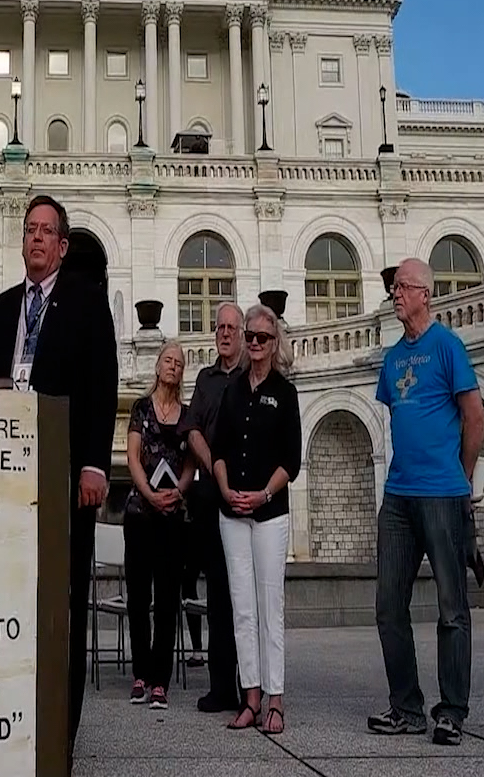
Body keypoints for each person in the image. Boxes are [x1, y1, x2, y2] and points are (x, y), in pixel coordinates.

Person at [0, 194, 118, 768]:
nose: (35, 239)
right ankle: (9, 723)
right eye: (29, 230)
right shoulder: (0, 309)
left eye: (46, 232)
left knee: (63, 606)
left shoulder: (86, 303)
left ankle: (61, 733)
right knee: (6, 599)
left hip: (63, 480)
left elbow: (101, 385)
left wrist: (92, 464)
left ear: (61, 246)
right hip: (7, 485)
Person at [368, 256, 484, 746]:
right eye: (394, 287)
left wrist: (461, 476)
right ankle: (406, 707)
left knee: (451, 607)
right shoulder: (393, 358)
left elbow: (474, 417)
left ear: (425, 294)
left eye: (403, 287)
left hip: (442, 492)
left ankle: (452, 710)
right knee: (387, 605)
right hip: (398, 495)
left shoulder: (448, 346)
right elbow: (397, 417)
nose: (396, 294)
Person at [212, 302, 301, 736]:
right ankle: (250, 696)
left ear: (274, 341)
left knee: (270, 607)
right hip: (233, 512)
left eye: (262, 337)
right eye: (250, 336)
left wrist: (264, 493)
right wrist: (226, 489)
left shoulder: (285, 393)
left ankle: (276, 699)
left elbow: (292, 460)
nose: (254, 343)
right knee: (242, 608)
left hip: (268, 512)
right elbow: (220, 449)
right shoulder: (233, 390)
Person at [181, 300, 244, 713]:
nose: (223, 333)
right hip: (210, 494)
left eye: (230, 328)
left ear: (241, 334)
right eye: (218, 327)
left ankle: (252, 685)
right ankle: (223, 686)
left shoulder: (253, 376)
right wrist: (213, 467)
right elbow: (191, 430)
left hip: (247, 495)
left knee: (245, 596)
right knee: (219, 593)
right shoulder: (204, 380)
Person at [123, 341, 193, 710]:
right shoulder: (140, 409)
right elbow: (132, 457)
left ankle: (160, 682)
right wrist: (149, 494)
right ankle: (140, 674)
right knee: (138, 596)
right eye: (168, 360)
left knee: (167, 599)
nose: (173, 367)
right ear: (157, 366)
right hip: (140, 513)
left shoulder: (187, 415)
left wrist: (177, 493)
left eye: (179, 363)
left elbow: (191, 465)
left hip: (172, 517)